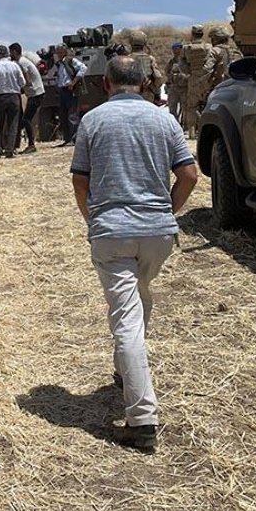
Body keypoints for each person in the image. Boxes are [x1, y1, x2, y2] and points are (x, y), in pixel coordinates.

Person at [70, 55, 199, 452]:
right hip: (158, 234)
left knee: (125, 319)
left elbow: (80, 180)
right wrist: (166, 212)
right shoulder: (164, 119)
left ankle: (142, 418)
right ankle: (126, 371)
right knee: (139, 298)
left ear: (106, 83)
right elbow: (190, 175)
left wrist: (93, 221)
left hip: (112, 232)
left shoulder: (93, 121)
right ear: (145, 83)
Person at [0, 44, 25, 159]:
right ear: (7, 53)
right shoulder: (15, 66)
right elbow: (23, 82)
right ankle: (10, 150)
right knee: (13, 124)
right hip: (14, 96)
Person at [10, 42, 45, 154]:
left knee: (26, 119)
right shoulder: (22, 61)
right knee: (25, 119)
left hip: (36, 93)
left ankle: (31, 145)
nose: (10, 54)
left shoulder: (21, 62)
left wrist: (19, 88)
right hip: (34, 93)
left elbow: (26, 79)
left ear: (14, 52)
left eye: (11, 52)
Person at [53, 44, 88, 147]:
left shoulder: (70, 60)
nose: (58, 54)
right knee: (63, 115)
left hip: (70, 90)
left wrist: (73, 83)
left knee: (72, 115)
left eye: (60, 52)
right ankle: (67, 139)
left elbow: (83, 68)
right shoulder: (59, 63)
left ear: (64, 51)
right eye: (57, 52)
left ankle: (74, 139)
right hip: (62, 90)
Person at [181, 25, 212, 138]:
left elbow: (181, 64)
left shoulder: (186, 48)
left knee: (191, 106)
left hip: (193, 78)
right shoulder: (208, 47)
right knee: (207, 104)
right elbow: (210, 63)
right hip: (206, 80)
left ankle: (191, 132)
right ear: (202, 34)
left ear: (193, 34)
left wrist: (189, 72)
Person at [125, 30, 166, 105]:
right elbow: (158, 77)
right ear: (144, 42)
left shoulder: (125, 59)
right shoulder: (150, 58)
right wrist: (156, 91)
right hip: (147, 93)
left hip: (130, 93)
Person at [203, 26, 242, 93]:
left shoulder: (215, 51)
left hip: (220, 88)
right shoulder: (237, 51)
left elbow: (207, 70)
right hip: (236, 87)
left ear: (216, 39)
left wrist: (204, 86)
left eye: (212, 38)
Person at [165, 41, 187, 126]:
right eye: (174, 49)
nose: (175, 51)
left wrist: (183, 76)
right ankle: (174, 125)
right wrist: (171, 77)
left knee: (185, 109)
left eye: (177, 49)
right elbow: (166, 72)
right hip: (173, 87)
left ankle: (185, 125)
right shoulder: (171, 61)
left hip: (184, 87)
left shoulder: (186, 61)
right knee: (172, 108)